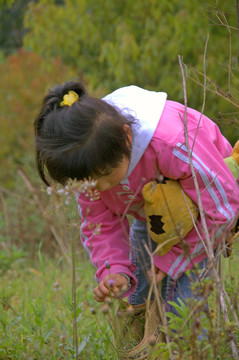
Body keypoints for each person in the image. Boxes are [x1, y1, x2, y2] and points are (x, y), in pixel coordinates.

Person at [34, 80, 239, 312]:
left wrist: (173, 258)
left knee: (183, 304)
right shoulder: (91, 166)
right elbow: (100, 222)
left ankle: (189, 345)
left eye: (104, 175)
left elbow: (222, 206)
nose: (98, 187)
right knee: (142, 296)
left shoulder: (172, 144)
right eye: (86, 182)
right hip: (152, 214)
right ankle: (148, 339)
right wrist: (114, 269)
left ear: (126, 138)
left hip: (203, 211)